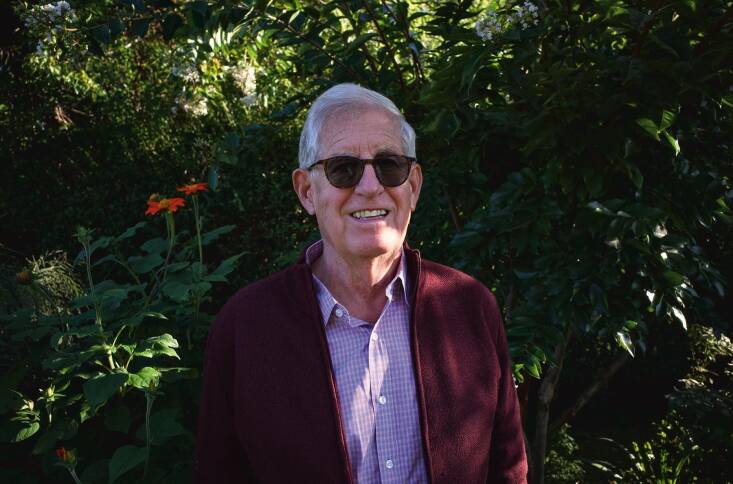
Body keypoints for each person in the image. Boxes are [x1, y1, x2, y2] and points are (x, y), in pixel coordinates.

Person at [194, 83, 528, 483]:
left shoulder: (469, 307)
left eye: (389, 165)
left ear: (413, 186)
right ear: (306, 191)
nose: (370, 187)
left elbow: (508, 469)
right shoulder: (247, 326)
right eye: (343, 168)